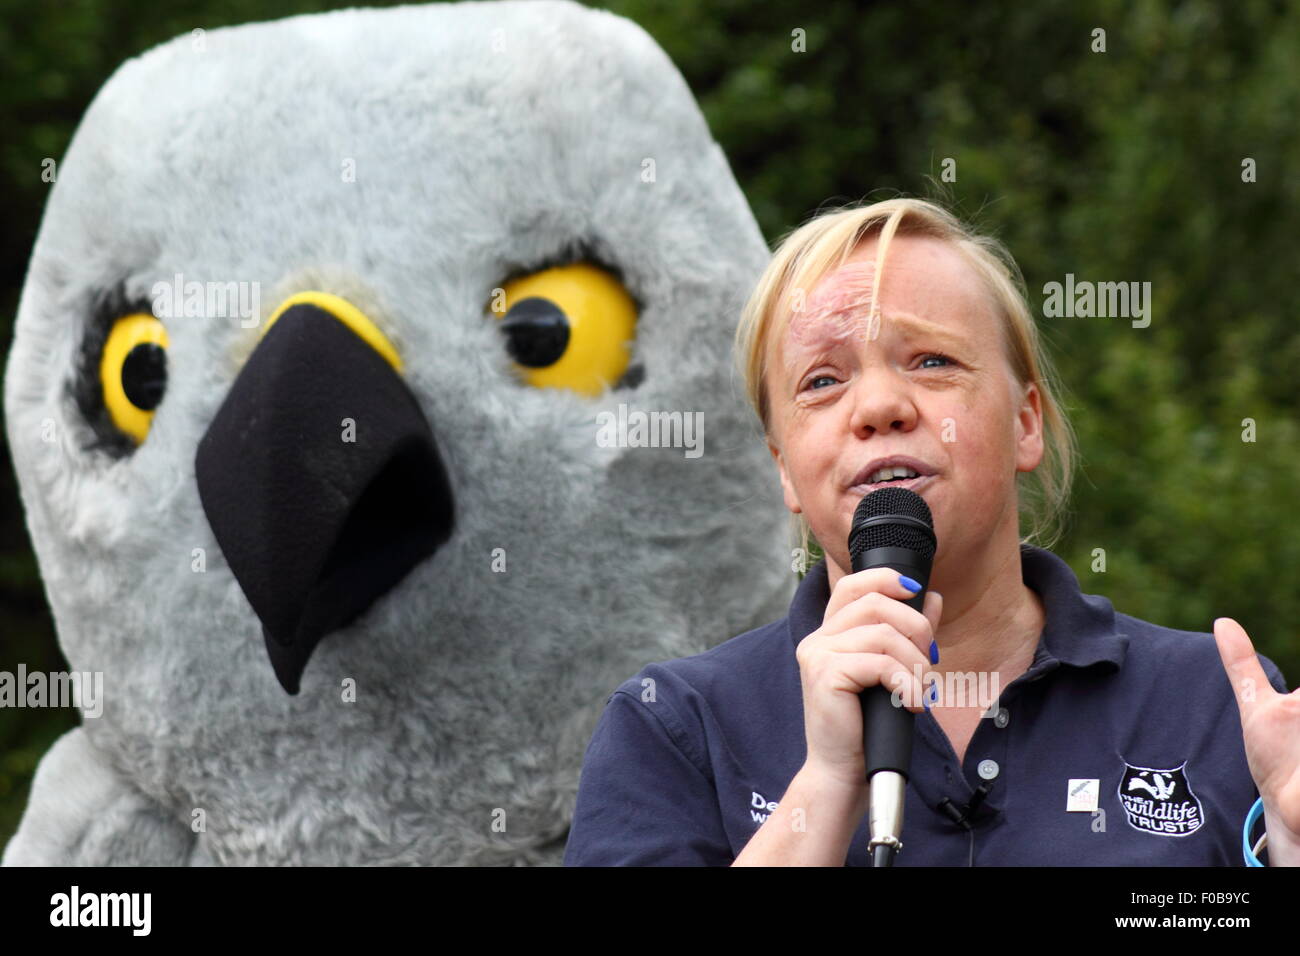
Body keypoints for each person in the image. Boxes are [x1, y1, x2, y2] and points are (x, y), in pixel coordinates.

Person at [563, 197, 1300, 866]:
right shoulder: (674, 729)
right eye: (822, 380)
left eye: (932, 360)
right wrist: (826, 783)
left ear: (1024, 423)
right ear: (784, 467)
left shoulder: (1214, 706)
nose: (880, 405)